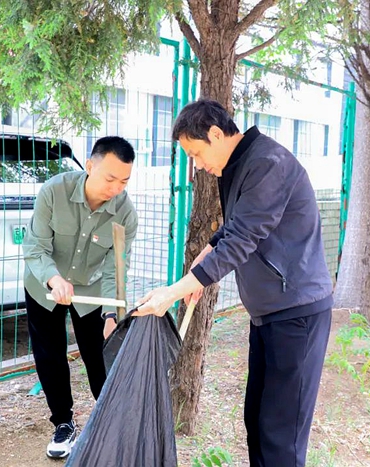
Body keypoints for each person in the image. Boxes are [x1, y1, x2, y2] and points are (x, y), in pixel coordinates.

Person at [134, 99, 333, 467]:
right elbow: (235, 225)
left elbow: (244, 237)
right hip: (271, 314)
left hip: (297, 314)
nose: (196, 165)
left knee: (280, 434)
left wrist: (174, 291)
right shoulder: (241, 164)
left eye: (195, 153)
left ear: (215, 134)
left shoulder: (266, 163)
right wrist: (205, 254)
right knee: (257, 421)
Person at [22, 136, 138, 459]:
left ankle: (111, 421)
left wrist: (112, 315)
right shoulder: (53, 192)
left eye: (124, 181)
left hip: (90, 290)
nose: (116, 188)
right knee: (50, 355)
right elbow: (34, 247)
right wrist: (53, 278)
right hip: (44, 284)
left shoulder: (125, 213)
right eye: (109, 178)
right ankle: (63, 423)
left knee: (98, 356)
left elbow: (117, 268)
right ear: (90, 166)